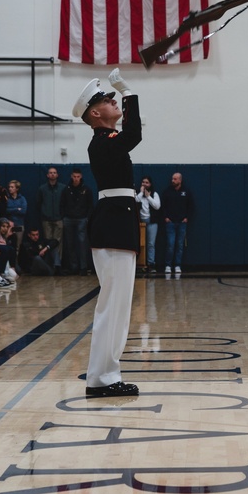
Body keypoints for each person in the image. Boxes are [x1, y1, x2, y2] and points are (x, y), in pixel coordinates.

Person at [72, 68, 141, 398]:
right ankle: (101, 378)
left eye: (114, 99)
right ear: (95, 114)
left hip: (118, 225)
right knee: (112, 307)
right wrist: (128, 92)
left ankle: (106, 374)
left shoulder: (106, 142)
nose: (113, 101)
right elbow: (134, 135)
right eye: (107, 100)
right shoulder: (101, 143)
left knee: (118, 307)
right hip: (113, 227)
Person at [61, 168, 93, 275]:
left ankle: (83, 267)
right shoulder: (66, 189)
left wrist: (87, 217)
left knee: (82, 244)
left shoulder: (86, 189)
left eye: (78, 176)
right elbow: (62, 204)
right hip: (68, 218)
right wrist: (63, 216)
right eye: (74, 176)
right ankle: (73, 267)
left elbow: (90, 205)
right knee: (70, 244)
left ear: (81, 177)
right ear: (71, 176)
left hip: (82, 219)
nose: (76, 179)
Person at [162, 172, 194, 275]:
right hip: (170, 222)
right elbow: (163, 206)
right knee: (170, 245)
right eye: (172, 179)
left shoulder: (186, 191)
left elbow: (191, 206)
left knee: (180, 245)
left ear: (180, 180)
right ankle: (168, 265)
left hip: (181, 223)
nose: (173, 181)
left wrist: (187, 218)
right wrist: (166, 217)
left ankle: (177, 265)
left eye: (175, 179)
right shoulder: (167, 191)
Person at [37, 167, 66, 273]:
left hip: (59, 219)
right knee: (48, 242)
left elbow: (65, 203)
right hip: (46, 219)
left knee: (58, 242)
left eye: (54, 173)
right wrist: (44, 213)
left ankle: (58, 264)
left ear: (57, 175)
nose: (52, 174)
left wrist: (62, 215)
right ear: (47, 175)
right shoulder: (42, 188)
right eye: (50, 173)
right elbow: (39, 203)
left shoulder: (63, 188)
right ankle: (50, 265)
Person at [135, 176, 161, 273]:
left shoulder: (154, 194)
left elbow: (157, 206)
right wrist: (142, 193)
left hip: (151, 222)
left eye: (147, 182)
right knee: (140, 243)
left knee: (150, 244)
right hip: (140, 222)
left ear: (150, 184)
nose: (144, 184)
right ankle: (140, 263)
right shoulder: (138, 193)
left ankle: (151, 264)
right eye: (143, 182)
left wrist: (148, 196)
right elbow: (135, 201)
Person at [5, 180, 28, 255]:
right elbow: (6, 210)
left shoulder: (22, 199)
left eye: (12, 187)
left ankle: (16, 264)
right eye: (9, 187)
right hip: (8, 225)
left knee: (18, 246)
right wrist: (17, 209)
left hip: (19, 225)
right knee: (7, 244)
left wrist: (12, 210)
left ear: (17, 189)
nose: (10, 188)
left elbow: (23, 211)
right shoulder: (7, 198)